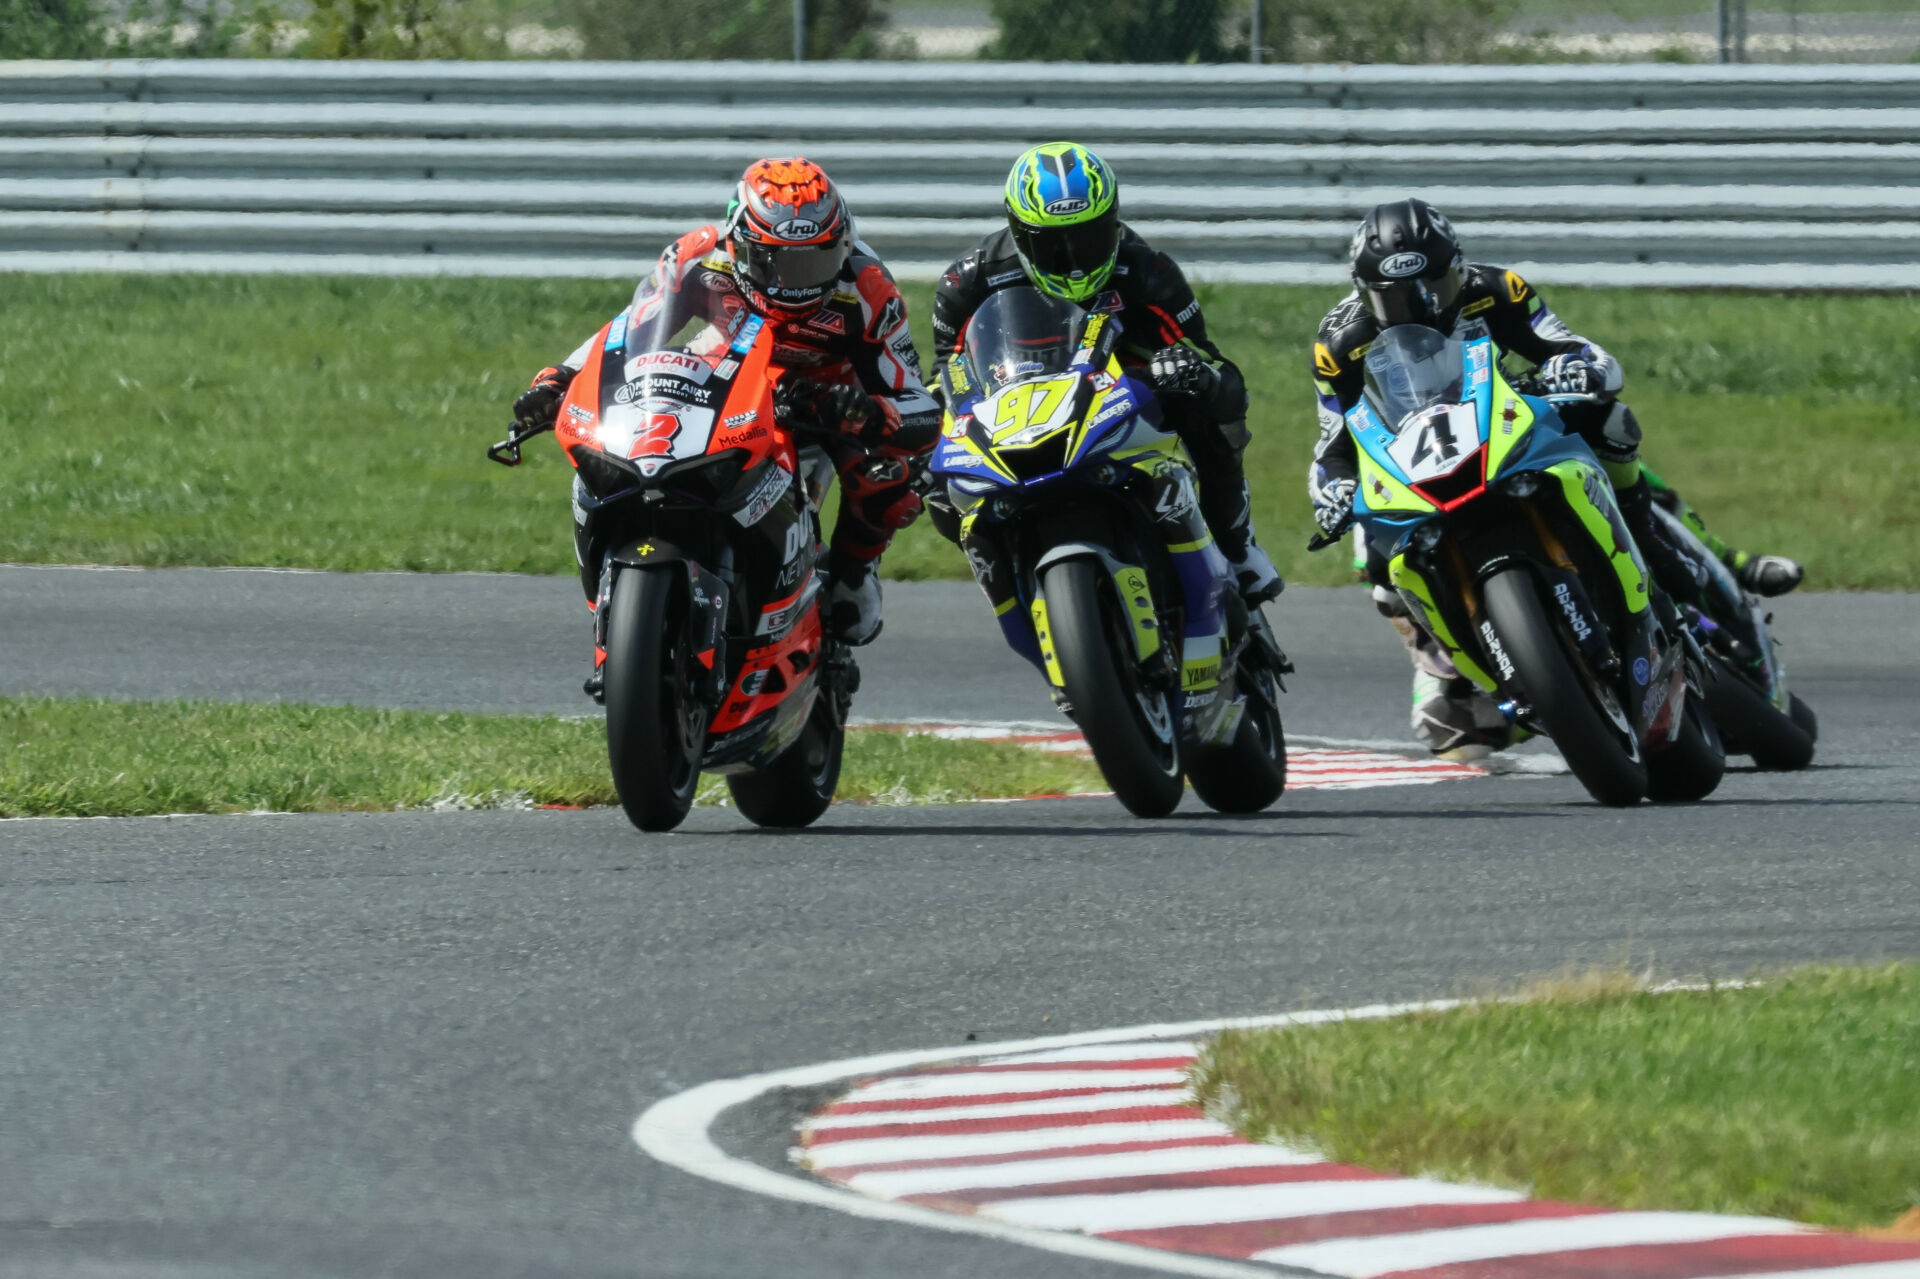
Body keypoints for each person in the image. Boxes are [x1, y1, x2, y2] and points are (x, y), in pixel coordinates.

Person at [1307, 197, 1804, 757]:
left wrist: (1572, 367)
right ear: (1365, 291)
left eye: (1434, 289)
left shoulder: (1498, 289)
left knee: (1610, 424)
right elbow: (1333, 444)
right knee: (1370, 557)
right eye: (1395, 297)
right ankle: (1445, 666)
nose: (1419, 306)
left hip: (1505, 423)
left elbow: (1576, 348)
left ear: (1457, 270)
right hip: (1414, 463)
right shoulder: (1339, 345)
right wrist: (1333, 489)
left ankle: (1665, 550)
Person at [511, 157, 940, 696]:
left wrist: (863, 411)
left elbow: (920, 407)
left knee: (889, 477)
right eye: (783, 264)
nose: (800, 281)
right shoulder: (695, 256)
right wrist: (557, 381)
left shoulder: (868, 287)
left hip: (825, 399)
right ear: (744, 248)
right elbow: (626, 332)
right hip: (725, 379)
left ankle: (855, 570)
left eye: (818, 260)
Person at [927, 141, 1283, 603]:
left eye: (1090, 237)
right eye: (1052, 245)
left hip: (1121, 394)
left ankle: (1238, 547)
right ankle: (1010, 574)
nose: (1073, 258)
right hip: (1014, 412)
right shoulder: (968, 282)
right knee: (931, 476)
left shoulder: (1146, 269)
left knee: (1211, 399)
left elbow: (1210, 359)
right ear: (1018, 232)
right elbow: (945, 373)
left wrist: (1185, 366)